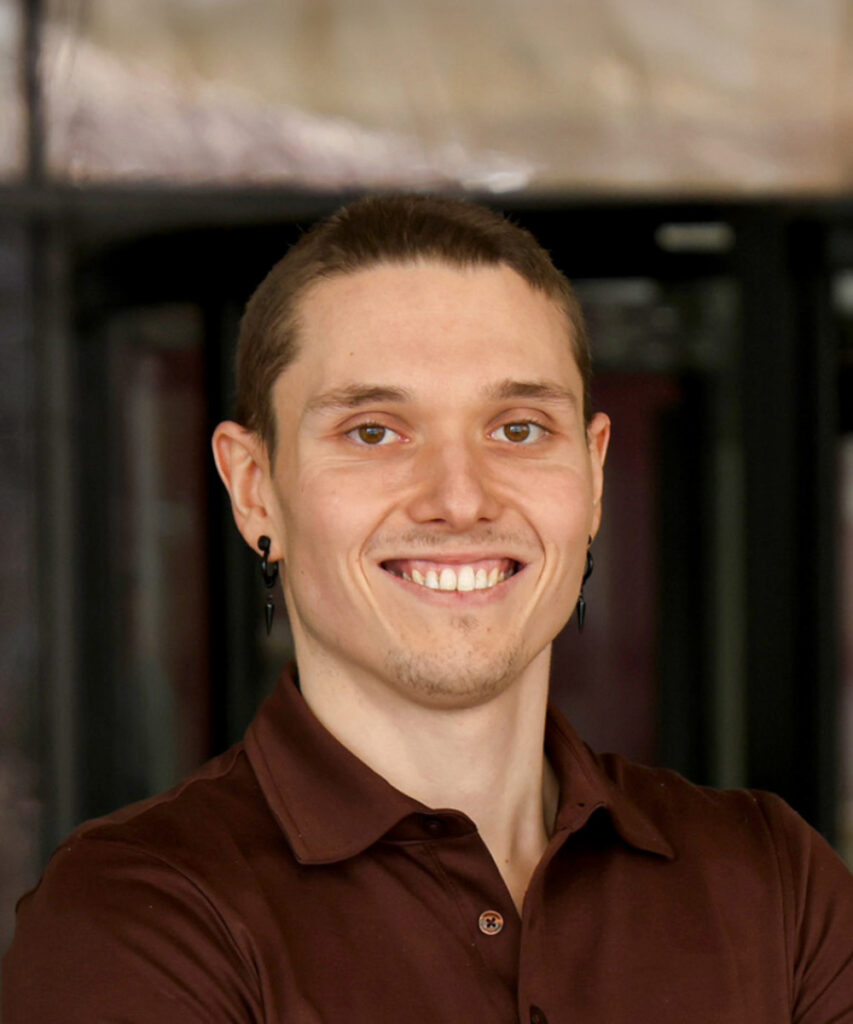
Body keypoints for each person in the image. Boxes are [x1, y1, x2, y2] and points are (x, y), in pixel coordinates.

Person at [4, 195, 853, 1023]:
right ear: (255, 490)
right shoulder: (136, 920)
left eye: (517, 429)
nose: (459, 498)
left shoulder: (774, 884)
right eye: (374, 431)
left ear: (593, 476)